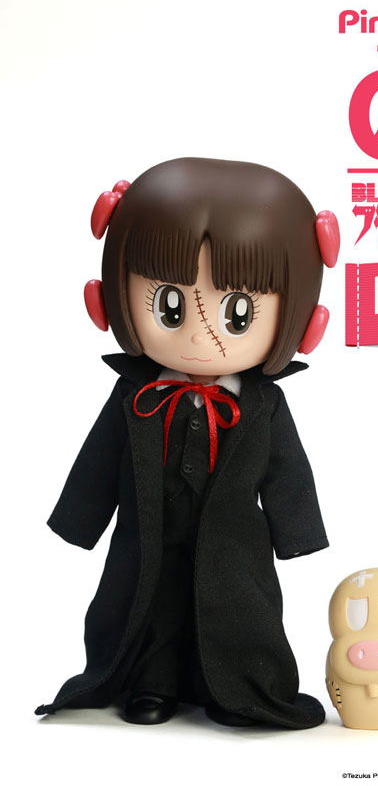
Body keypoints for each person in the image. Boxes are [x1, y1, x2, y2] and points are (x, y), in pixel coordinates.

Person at [35, 157, 339, 728]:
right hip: (147, 533)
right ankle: (151, 684)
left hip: (235, 542)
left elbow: (287, 470)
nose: (200, 336)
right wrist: (80, 519)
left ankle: (237, 687)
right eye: (169, 306)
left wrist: (297, 532)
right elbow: (99, 460)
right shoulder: (136, 397)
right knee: (149, 606)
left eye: (238, 313)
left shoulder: (263, 406)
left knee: (238, 611)